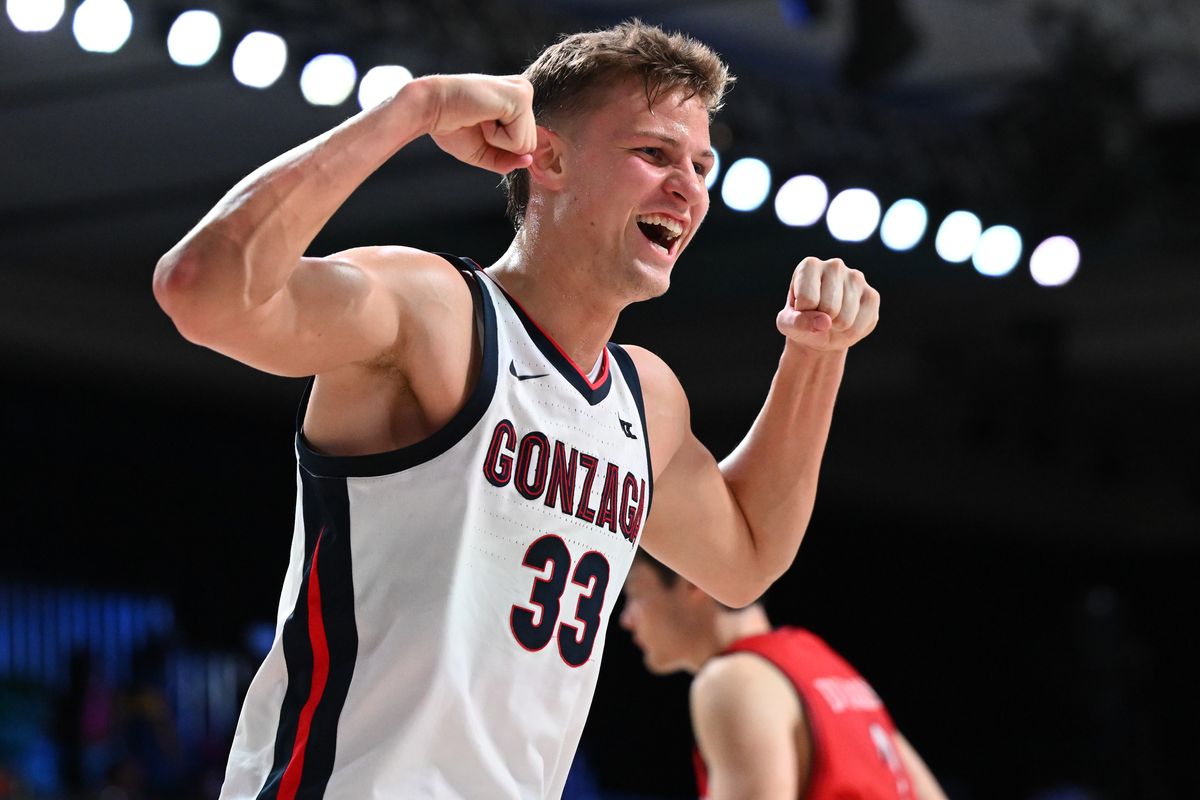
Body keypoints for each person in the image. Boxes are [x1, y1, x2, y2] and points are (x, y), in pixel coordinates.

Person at [153, 18, 879, 800]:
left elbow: (745, 556)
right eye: (655, 154)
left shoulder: (646, 397)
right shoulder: (434, 312)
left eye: (702, 165)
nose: (689, 187)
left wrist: (816, 355)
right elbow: (202, 291)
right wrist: (410, 111)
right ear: (551, 158)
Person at [620, 552, 947, 800]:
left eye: (635, 593)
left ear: (693, 580)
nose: (626, 619)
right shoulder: (821, 661)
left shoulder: (733, 680)